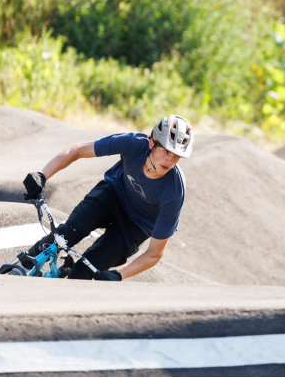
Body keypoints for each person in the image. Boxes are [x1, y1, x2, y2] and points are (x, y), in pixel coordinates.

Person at [14, 115, 193, 281]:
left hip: (135, 226)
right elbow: (77, 150)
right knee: (66, 234)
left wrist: (118, 275)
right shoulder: (133, 144)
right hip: (113, 195)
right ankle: (20, 266)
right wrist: (42, 175)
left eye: (177, 155)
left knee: (83, 272)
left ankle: (68, 274)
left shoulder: (174, 192)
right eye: (165, 151)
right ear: (151, 143)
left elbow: (155, 252)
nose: (170, 160)